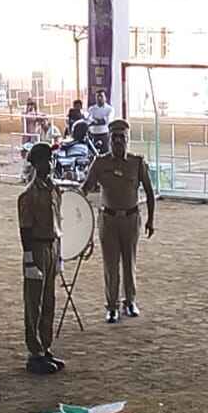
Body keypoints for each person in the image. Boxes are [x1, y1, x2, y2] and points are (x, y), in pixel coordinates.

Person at [80, 119, 156, 324]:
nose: (118, 141)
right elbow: (86, 187)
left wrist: (150, 220)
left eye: (122, 137)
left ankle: (129, 301)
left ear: (128, 139)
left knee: (129, 262)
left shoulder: (137, 163)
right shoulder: (100, 163)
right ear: (109, 139)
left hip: (131, 218)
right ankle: (112, 306)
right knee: (110, 264)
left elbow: (149, 192)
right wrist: (74, 202)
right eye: (114, 137)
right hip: (108, 219)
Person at [18, 143, 64, 375]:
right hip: (36, 247)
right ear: (36, 164)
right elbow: (25, 229)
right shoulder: (28, 195)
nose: (50, 164)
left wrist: (60, 253)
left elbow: (58, 221)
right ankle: (34, 351)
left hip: (51, 244)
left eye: (51, 160)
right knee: (34, 302)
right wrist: (28, 259)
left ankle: (45, 346)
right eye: (46, 160)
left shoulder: (54, 189)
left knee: (48, 300)